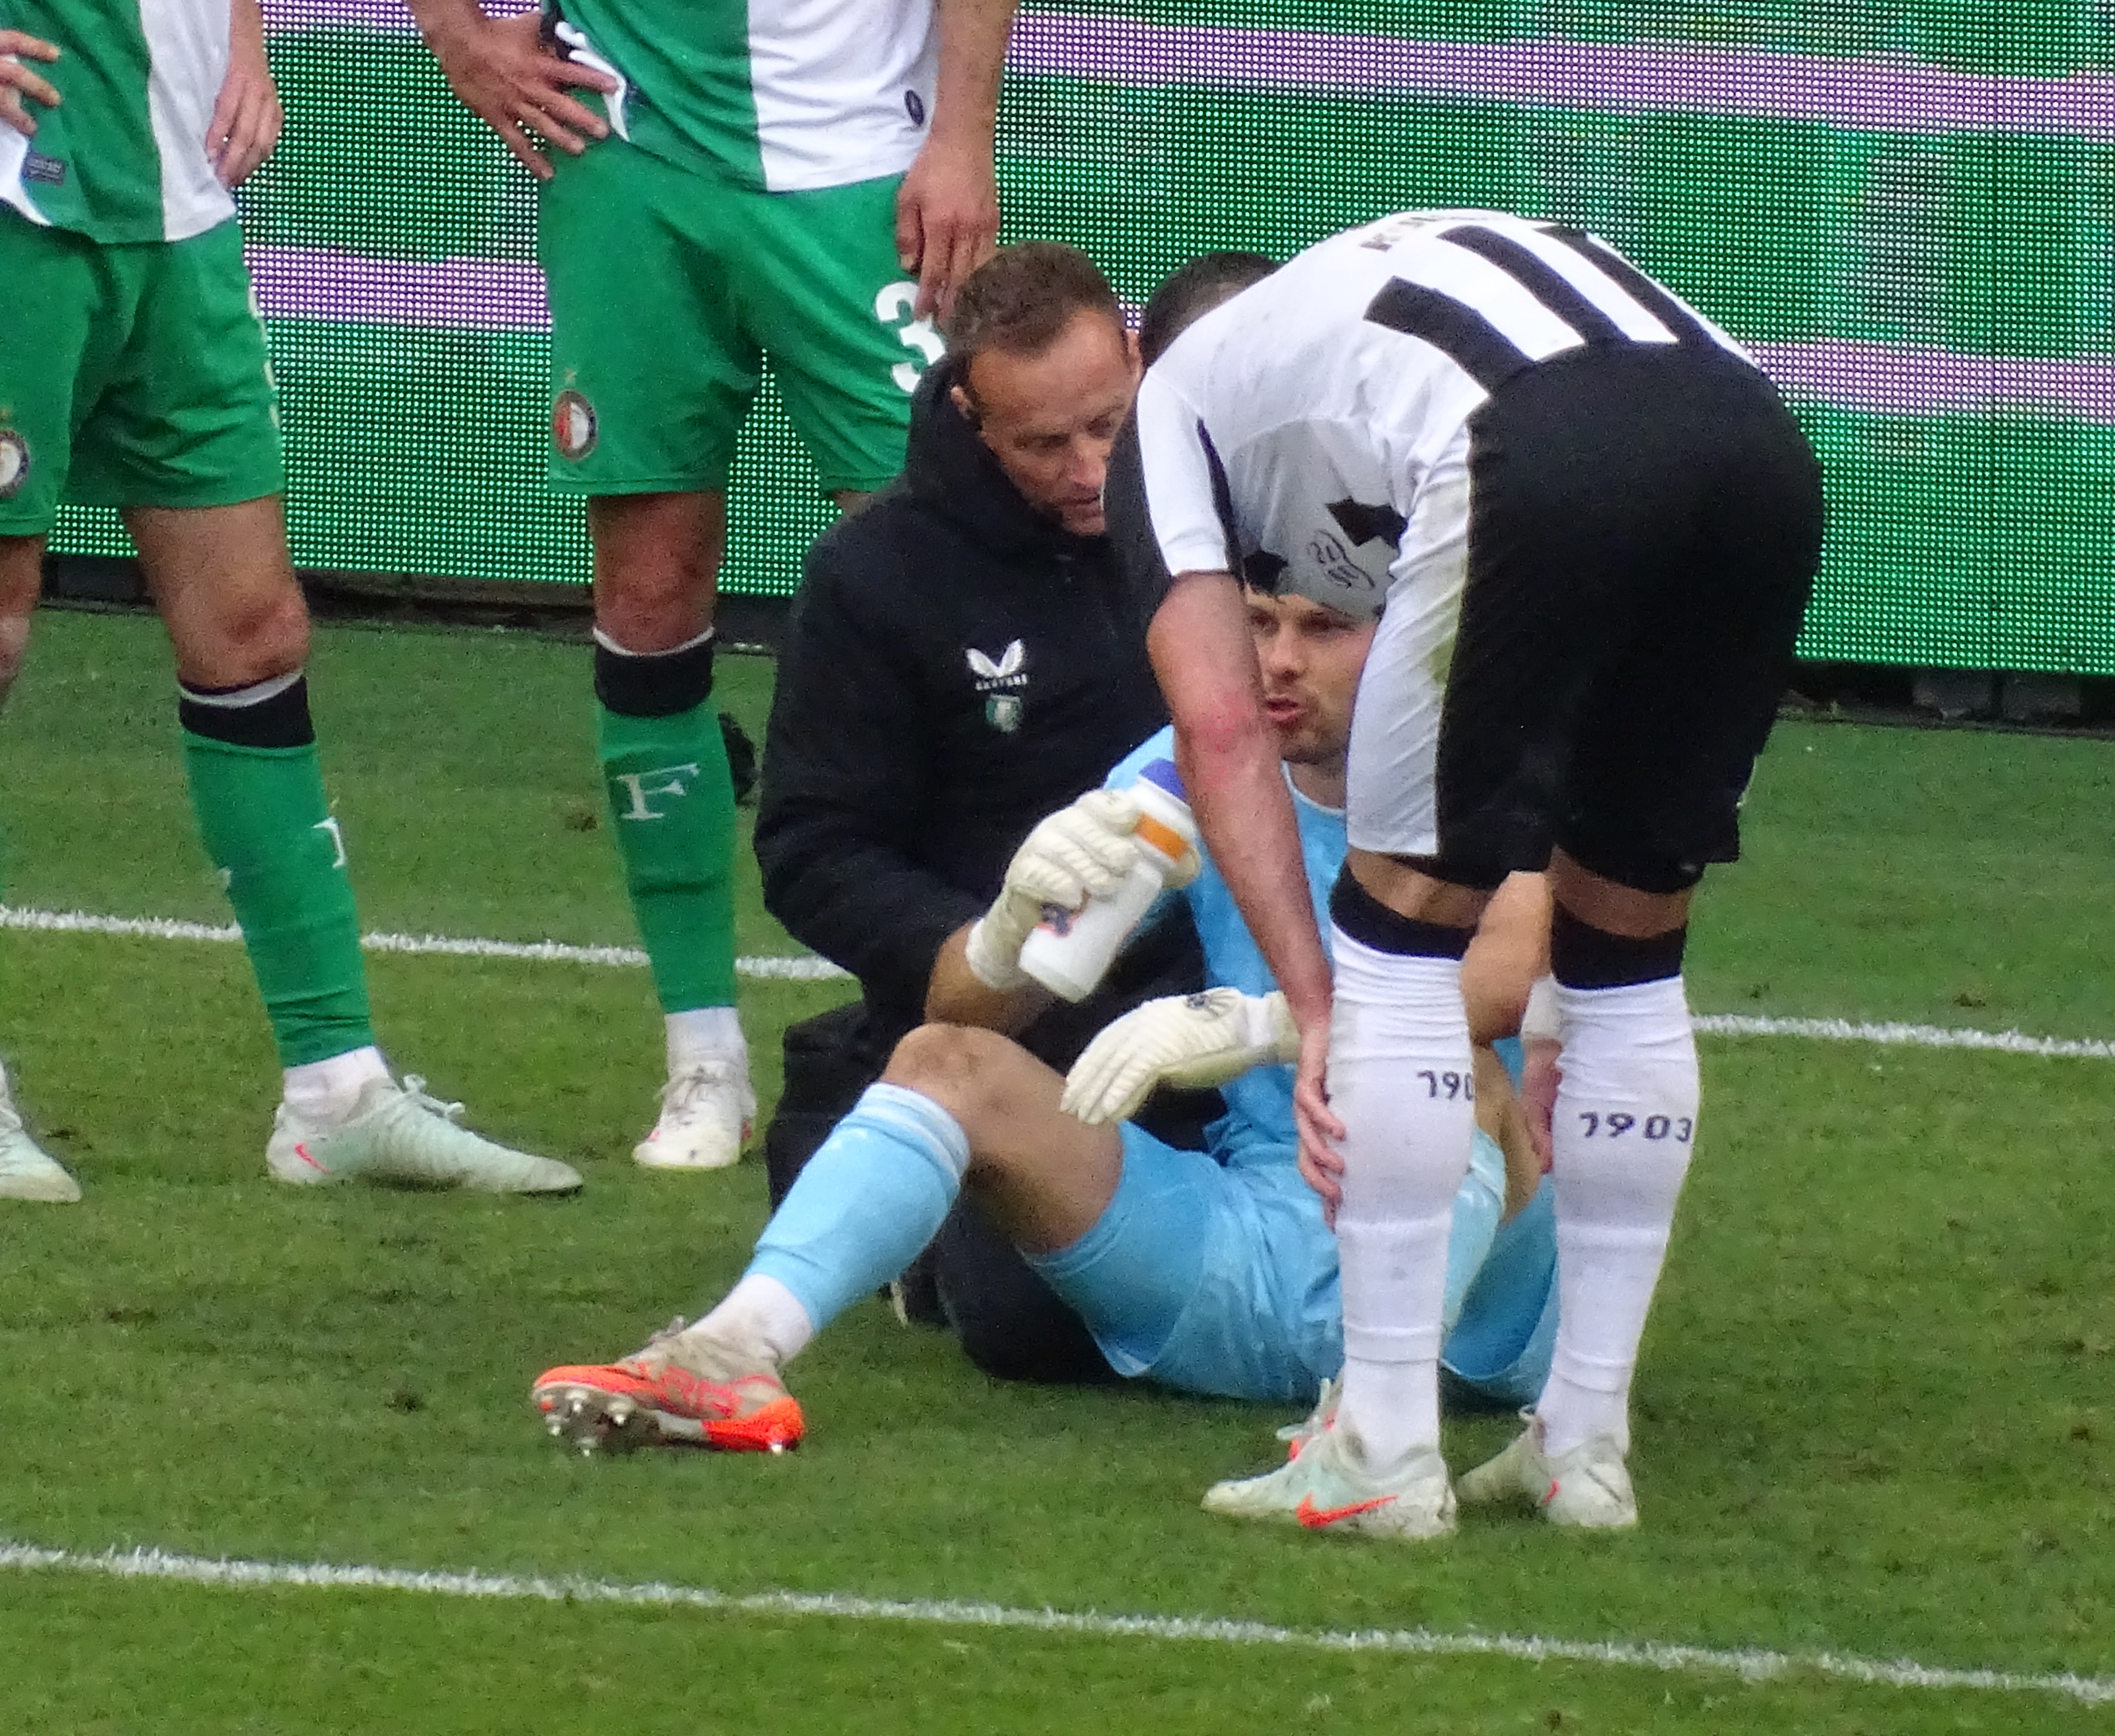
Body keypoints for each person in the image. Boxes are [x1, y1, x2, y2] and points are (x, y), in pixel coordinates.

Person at [336, 0, 1023, 1167]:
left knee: (937, 589)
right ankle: (702, 1057)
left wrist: (964, 131)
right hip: (631, 165)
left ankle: (950, 1034)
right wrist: (456, 33)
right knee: (649, 596)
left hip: (863, 169)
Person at [1120, 208, 1824, 1534]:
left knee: (1394, 945)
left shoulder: (1169, 411)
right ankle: (1584, 1445)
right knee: (1627, 960)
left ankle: (1383, 1449)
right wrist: (1548, 1008)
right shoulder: (1329, 341)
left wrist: (1312, 1006)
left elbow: (1216, 725)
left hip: (1532, 437)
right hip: (1756, 435)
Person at [528, 583, 1556, 1450]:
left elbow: (1504, 976)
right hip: (1244, 1250)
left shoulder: (1483, 767)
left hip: (1469, 1310)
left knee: (1455, 1073)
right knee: (945, 1061)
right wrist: (1006, 930)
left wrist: (1260, 1024)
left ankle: (1378, 1438)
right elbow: (970, 1011)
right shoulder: (1193, 762)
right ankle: (729, 1355)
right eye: (1255, 622)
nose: (1278, 660)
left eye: (1323, 628)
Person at [0, 0, 577, 1199]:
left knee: (252, 630)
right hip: (21, 191)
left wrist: (243, 27)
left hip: (173, 191)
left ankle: (334, 1091)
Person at [751, 241, 1215, 1381]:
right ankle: (883, 1131)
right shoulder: (877, 576)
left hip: (1227, 999)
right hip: (1014, 1023)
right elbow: (813, 847)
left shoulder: (1226, 522)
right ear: (970, 413)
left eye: (1108, 426)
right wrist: (978, 945)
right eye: (1044, 445)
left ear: (1141, 360)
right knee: (1037, 1329)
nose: (1088, 469)